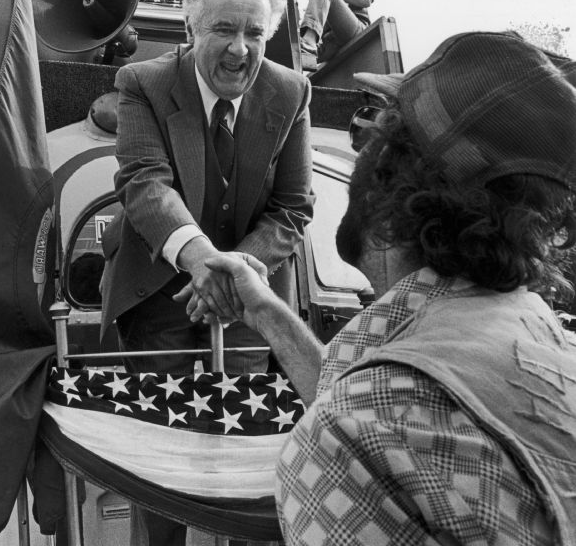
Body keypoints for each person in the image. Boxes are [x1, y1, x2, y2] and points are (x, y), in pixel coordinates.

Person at [191, 31, 576, 544]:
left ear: (387, 174)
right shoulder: (534, 330)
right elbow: (375, 386)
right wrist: (265, 311)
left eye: (369, 134)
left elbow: (365, 415)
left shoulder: (349, 440)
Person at [99, 0, 314, 545]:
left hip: (250, 301)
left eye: (255, 33)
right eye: (223, 29)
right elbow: (144, 184)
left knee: (242, 456)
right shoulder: (141, 81)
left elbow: (293, 209)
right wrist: (200, 260)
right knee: (160, 457)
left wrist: (236, 274)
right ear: (190, 30)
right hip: (157, 292)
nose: (241, 48)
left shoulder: (293, 91)